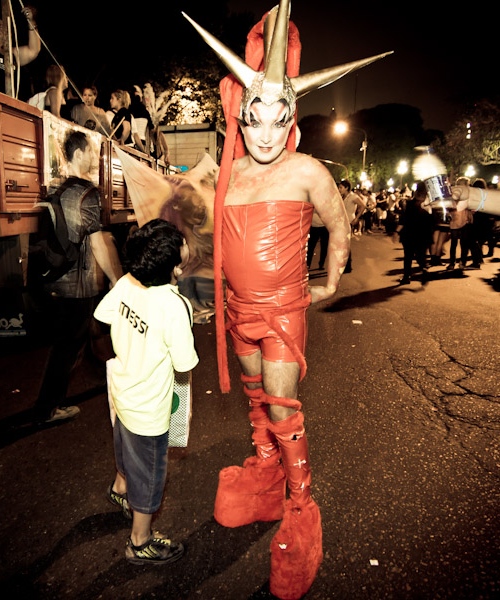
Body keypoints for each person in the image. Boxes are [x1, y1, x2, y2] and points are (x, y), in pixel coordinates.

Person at [184, 3, 391, 598]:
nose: (267, 132)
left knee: (282, 408)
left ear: (292, 118)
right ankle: (265, 476)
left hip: (281, 312)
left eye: (280, 119)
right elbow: (206, 238)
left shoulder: (306, 170)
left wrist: (330, 278)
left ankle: (300, 505)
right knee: (256, 403)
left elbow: (341, 223)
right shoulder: (228, 174)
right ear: (238, 118)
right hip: (236, 311)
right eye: (256, 118)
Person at [94, 218, 199, 565]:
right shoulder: (173, 305)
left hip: (122, 392)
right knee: (151, 472)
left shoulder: (127, 282)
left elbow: (103, 312)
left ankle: (119, 489)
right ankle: (140, 541)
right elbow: (184, 364)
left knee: (125, 449)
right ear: (174, 259)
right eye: (182, 241)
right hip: (150, 408)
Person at [33, 130, 123, 424]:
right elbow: (96, 243)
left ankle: (101, 375)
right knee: (67, 349)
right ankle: (48, 408)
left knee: (73, 342)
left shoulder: (54, 190)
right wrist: (116, 280)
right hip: (77, 287)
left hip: (53, 281)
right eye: (91, 152)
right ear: (81, 153)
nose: (94, 158)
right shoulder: (87, 193)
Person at [398, 181, 434, 285]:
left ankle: (406, 277)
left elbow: (404, 219)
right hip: (424, 233)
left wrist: (397, 231)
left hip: (410, 232)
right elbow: (432, 219)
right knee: (421, 255)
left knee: (408, 256)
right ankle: (423, 269)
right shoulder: (429, 203)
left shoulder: (410, 203)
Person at [446, 177, 476, 270]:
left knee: (455, 243)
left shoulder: (453, 192)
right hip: (461, 219)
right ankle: (462, 262)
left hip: (456, 219)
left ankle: (453, 263)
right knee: (463, 243)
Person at [339, 179, 365, 273]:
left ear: (346, 188)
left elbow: (363, 206)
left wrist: (357, 218)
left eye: (341, 187)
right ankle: (343, 264)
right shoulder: (342, 196)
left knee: (346, 243)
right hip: (342, 221)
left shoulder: (353, 196)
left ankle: (348, 265)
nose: (339, 189)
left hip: (349, 221)